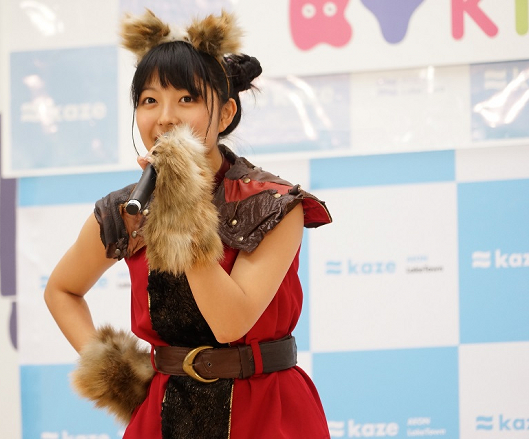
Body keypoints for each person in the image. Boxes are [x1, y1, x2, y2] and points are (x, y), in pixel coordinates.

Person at [44, 9, 332, 439]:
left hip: (266, 409)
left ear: (225, 113)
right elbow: (62, 291)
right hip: (164, 412)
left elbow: (230, 323)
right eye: (149, 100)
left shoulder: (274, 204)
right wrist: (118, 376)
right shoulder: (128, 208)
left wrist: (179, 210)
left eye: (186, 99)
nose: (165, 117)